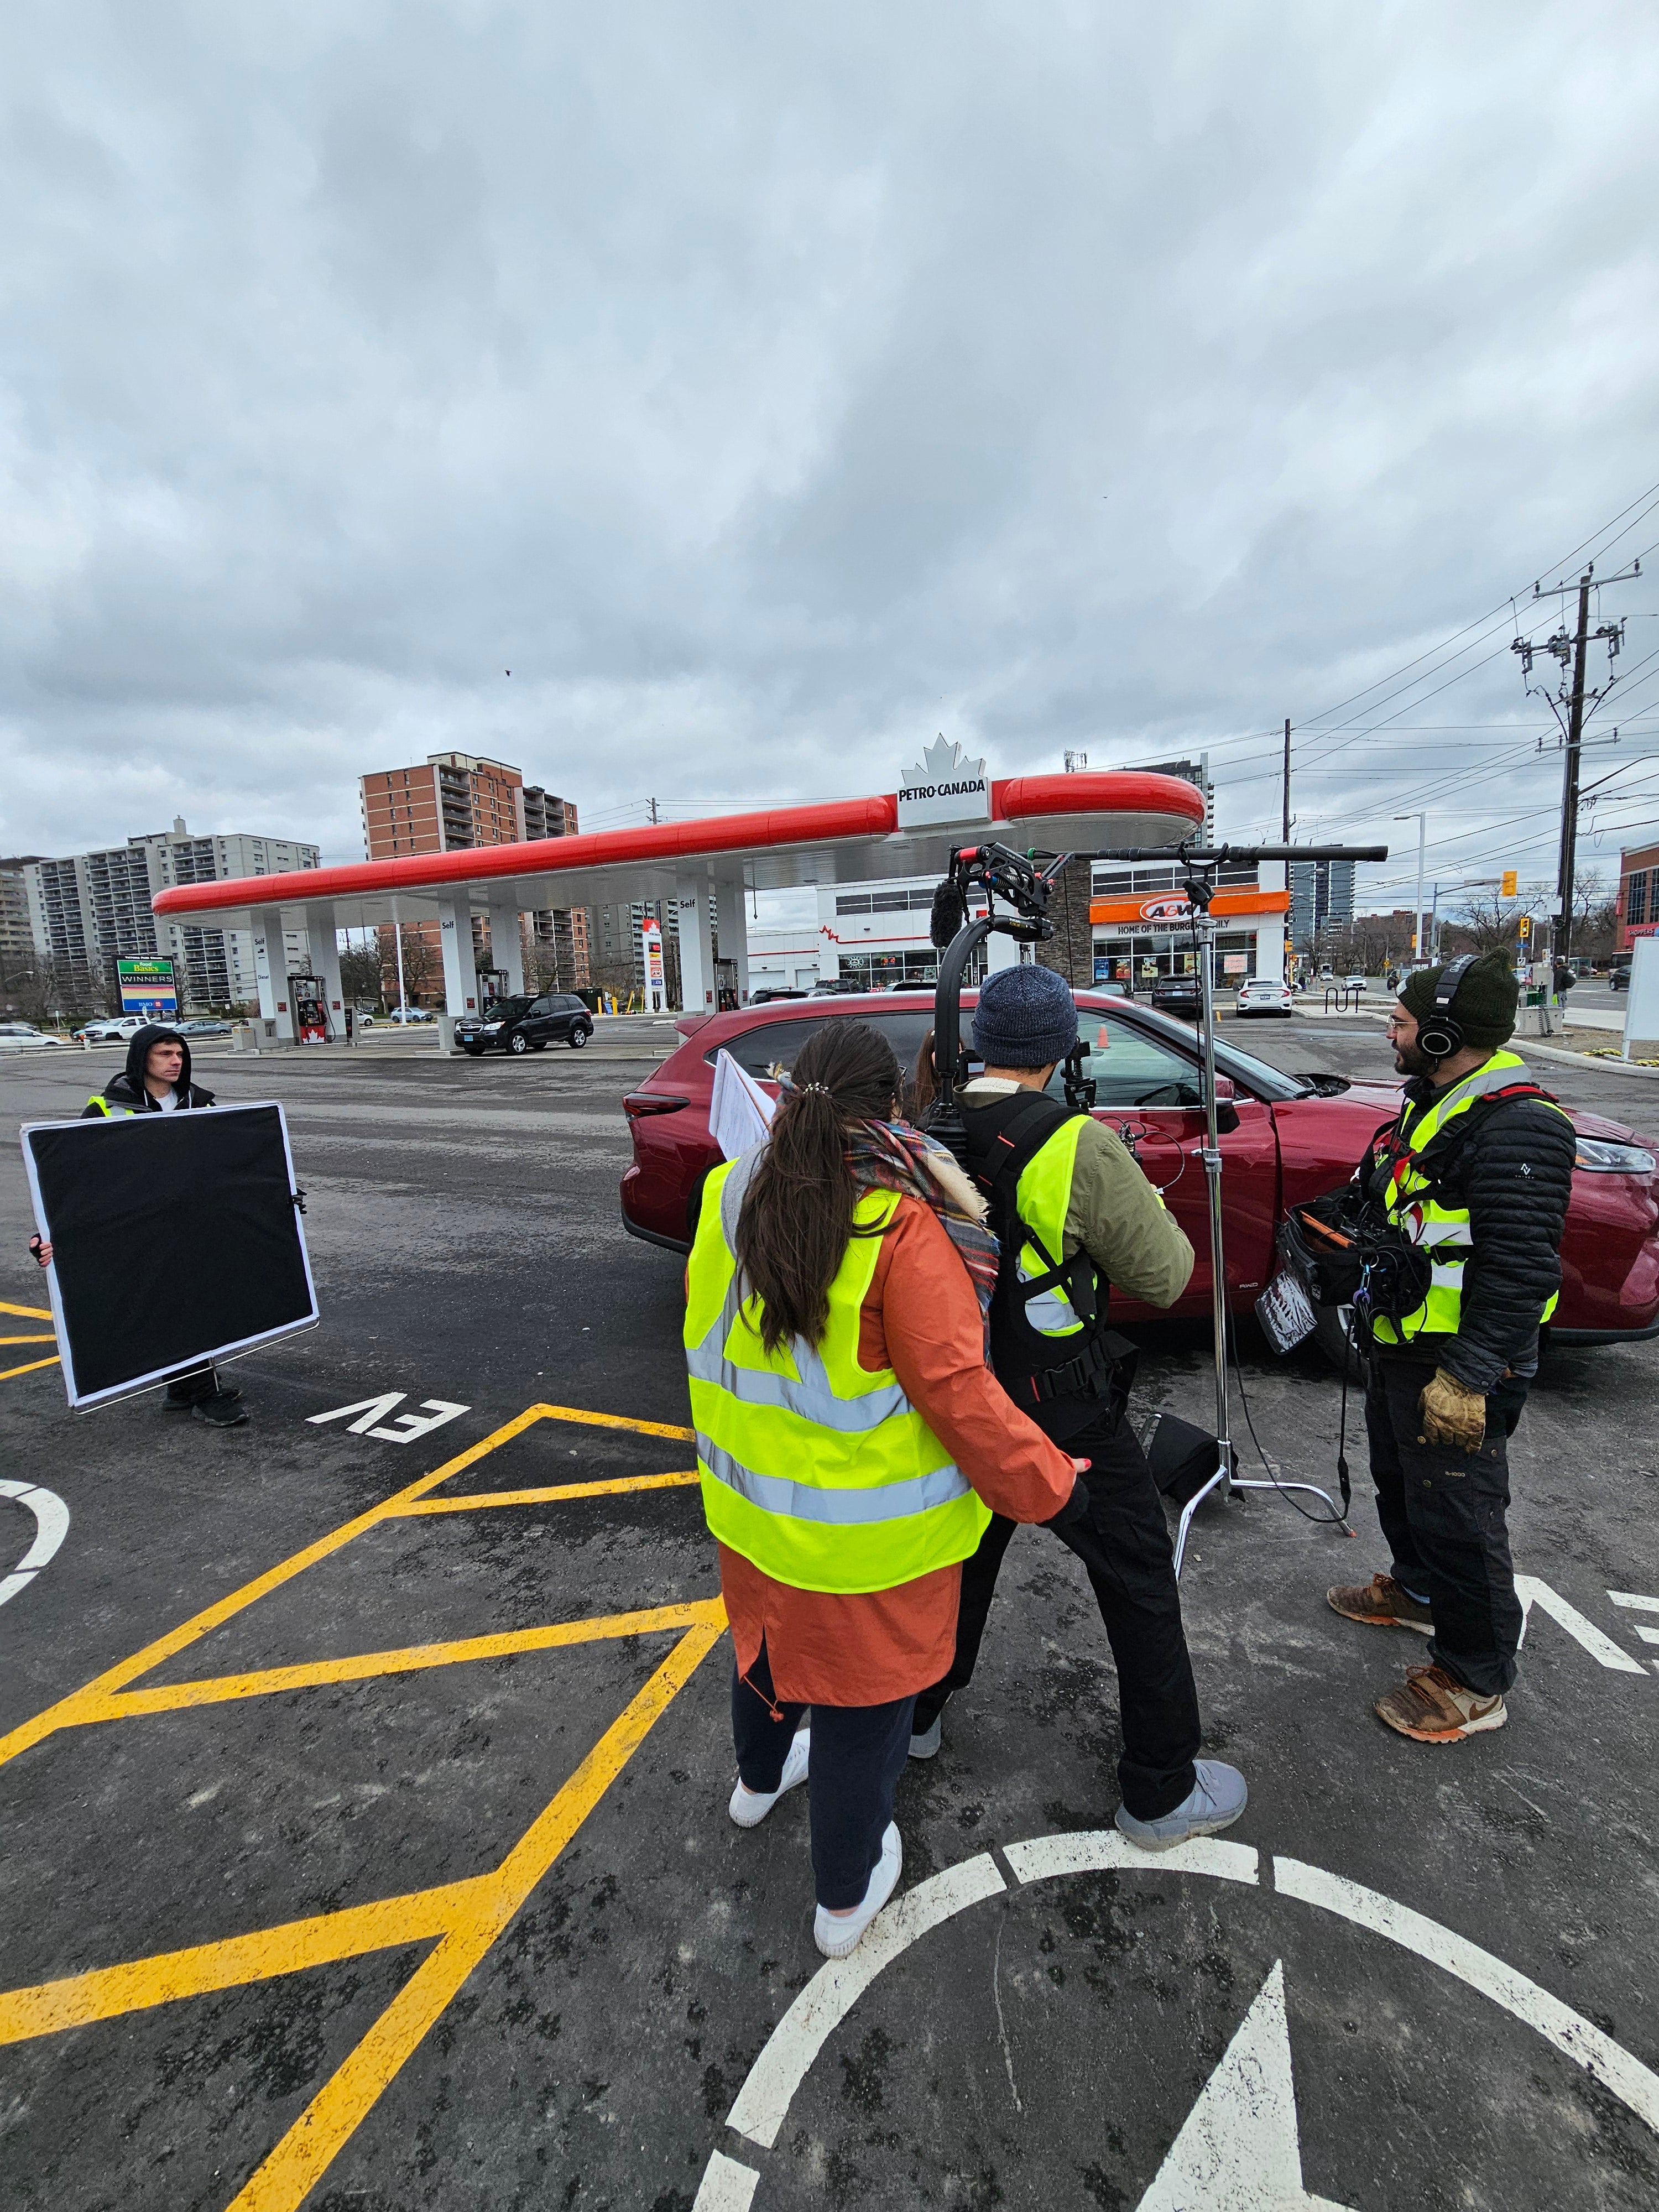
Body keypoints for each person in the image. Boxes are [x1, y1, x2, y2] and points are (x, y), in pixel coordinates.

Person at [685, 1019, 1085, 1958]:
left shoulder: (725, 1193)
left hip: (749, 1513)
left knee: (763, 1656)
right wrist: (1054, 1485)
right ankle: (843, 1900)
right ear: (892, 1113)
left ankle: (757, 1786)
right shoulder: (899, 1228)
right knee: (865, 1716)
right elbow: (960, 1395)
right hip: (868, 1546)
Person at [911, 962, 1248, 1850]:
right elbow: (1165, 1276)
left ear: (982, 1041)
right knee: (1136, 1570)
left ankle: (916, 1716)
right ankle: (1160, 1790)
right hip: (1058, 1408)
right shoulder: (1076, 1144)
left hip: (953, 1398)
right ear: (1062, 1047)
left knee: (960, 1557)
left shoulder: (921, 1126)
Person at [1327, 951, 1574, 1741]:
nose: (1388, 1029)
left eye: (1400, 1020)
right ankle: (1418, 1590)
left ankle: (1475, 1680)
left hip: (1463, 1360)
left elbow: (1520, 1268)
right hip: (1407, 1344)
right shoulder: (1434, 1101)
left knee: (1461, 1513)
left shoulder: (1519, 1125)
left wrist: (1468, 1378)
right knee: (1403, 1484)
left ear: (1442, 1035)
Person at [28, 1024, 248, 1427]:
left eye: (179, 1053)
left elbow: (231, 1162)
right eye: (165, 1053)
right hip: (139, 1232)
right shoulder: (105, 1108)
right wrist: (46, 1232)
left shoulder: (200, 1104)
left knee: (195, 1303)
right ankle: (204, 1394)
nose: (175, 1061)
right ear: (141, 1058)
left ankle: (183, 1388)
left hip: (190, 1228)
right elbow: (70, 1180)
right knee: (177, 1307)